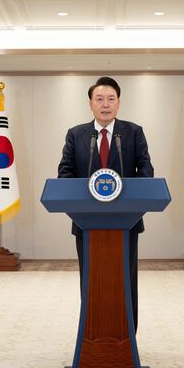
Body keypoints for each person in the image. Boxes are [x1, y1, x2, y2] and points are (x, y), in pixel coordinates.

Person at [58, 76, 154, 332]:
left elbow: (146, 172)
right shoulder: (76, 134)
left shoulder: (133, 132)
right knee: (90, 279)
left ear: (119, 103)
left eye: (111, 99)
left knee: (125, 279)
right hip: (86, 222)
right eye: (99, 99)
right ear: (90, 104)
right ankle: (91, 332)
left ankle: (127, 334)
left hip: (127, 222)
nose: (105, 104)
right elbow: (65, 174)